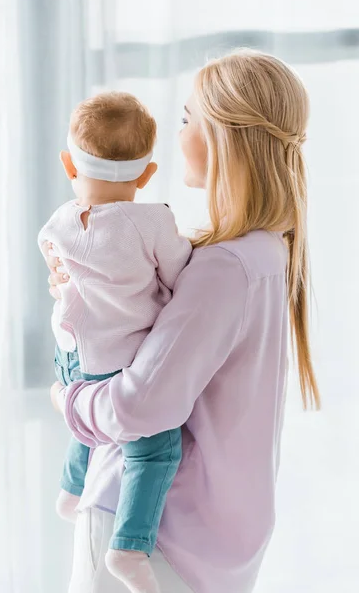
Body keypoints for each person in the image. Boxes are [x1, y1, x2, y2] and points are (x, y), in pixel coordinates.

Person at [45, 49, 320, 593]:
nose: (178, 135)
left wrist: (65, 398)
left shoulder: (222, 267)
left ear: (225, 137)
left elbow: (139, 405)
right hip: (216, 540)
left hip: (149, 530)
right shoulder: (267, 253)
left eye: (188, 119)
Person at [39, 92, 192, 593]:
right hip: (115, 358)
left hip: (69, 353)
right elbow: (181, 271)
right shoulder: (151, 222)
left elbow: (50, 251)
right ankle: (129, 545)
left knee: (87, 424)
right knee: (154, 450)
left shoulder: (61, 220)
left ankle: (71, 488)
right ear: (146, 175)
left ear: (68, 164)